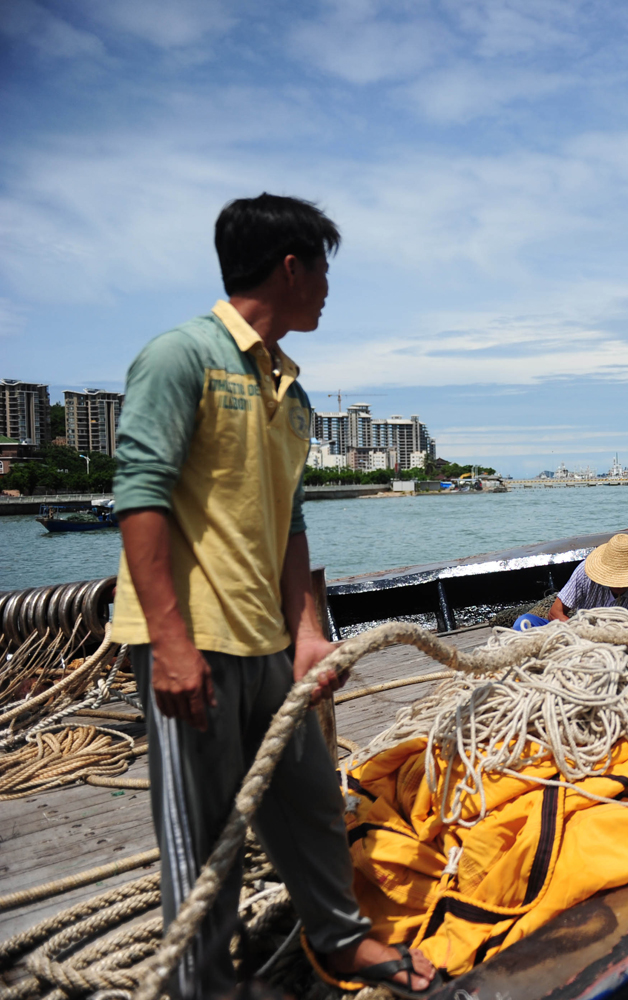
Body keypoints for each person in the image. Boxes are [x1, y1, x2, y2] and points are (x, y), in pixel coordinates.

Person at [110, 194, 437, 1000]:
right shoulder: (181, 356)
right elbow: (139, 495)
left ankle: (340, 939)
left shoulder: (289, 390)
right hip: (195, 641)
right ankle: (204, 988)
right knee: (204, 841)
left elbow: (290, 522)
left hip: (268, 641)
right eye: (323, 269)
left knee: (310, 804)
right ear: (291, 266)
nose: (328, 288)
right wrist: (172, 644)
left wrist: (308, 632)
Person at [513, 533, 628, 630]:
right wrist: (584, 634)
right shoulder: (585, 573)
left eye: (624, 576)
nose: (619, 582)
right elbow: (555, 613)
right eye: (614, 574)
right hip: (580, 632)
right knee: (523, 623)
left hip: (626, 641)